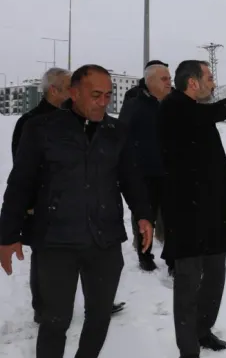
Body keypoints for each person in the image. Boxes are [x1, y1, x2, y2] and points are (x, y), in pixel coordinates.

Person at [0, 64, 154, 358]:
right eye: (96, 94)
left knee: (99, 317)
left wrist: (144, 215)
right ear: (73, 93)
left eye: (108, 95)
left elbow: (131, 179)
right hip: (56, 242)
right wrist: (8, 235)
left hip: (104, 240)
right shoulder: (42, 129)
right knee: (55, 320)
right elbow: (19, 183)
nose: (103, 101)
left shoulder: (116, 131)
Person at [159, 60, 226, 357]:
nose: (213, 83)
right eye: (209, 77)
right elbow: (217, 111)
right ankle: (188, 348)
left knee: (215, 276)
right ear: (192, 82)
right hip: (186, 215)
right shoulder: (176, 107)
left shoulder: (192, 109)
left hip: (210, 212)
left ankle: (203, 330)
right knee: (188, 284)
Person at [11, 67, 126, 324]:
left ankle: (95, 301)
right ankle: (45, 307)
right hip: (44, 208)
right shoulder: (32, 122)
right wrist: (29, 207)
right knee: (45, 261)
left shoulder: (83, 121)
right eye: (69, 89)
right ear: (57, 91)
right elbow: (23, 171)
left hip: (78, 213)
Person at [118, 60, 172, 273]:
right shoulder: (134, 103)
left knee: (172, 217)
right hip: (144, 172)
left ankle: (173, 259)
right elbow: (122, 137)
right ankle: (145, 255)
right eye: (165, 78)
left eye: (170, 78)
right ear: (150, 81)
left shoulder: (174, 101)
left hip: (170, 172)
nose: (169, 82)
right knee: (144, 216)